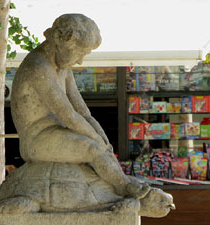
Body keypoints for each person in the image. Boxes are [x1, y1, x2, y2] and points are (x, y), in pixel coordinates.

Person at [11, 13, 149, 199]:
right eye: (79, 53)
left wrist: (102, 137)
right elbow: (68, 115)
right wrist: (98, 141)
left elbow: (83, 111)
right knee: (93, 149)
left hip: (57, 131)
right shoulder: (38, 67)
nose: (80, 61)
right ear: (61, 40)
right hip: (37, 139)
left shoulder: (63, 68)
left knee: (100, 146)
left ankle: (122, 181)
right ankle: (123, 186)